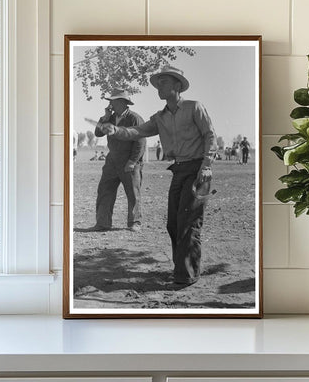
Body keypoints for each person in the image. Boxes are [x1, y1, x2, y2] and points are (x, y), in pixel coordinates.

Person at [100, 65, 217, 285]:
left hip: (198, 169)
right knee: (173, 223)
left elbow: (210, 135)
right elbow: (138, 131)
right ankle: (181, 269)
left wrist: (207, 164)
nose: (158, 87)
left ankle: (187, 276)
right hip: (178, 170)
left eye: (163, 82)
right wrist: (115, 130)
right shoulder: (160, 117)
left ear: (177, 85)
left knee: (188, 222)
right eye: (158, 83)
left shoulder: (194, 107)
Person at [89, 89, 146, 232]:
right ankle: (102, 223)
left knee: (133, 192)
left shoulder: (135, 118)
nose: (110, 104)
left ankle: (135, 222)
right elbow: (98, 132)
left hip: (129, 161)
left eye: (112, 101)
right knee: (105, 190)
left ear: (121, 102)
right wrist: (105, 117)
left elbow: (140, 142)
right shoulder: (111, 117)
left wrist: (133, 161)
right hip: (112, 160)